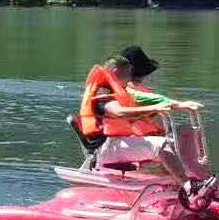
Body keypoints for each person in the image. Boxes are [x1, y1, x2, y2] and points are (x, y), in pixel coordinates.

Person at [78, 53, 201, 181]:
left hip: (117, 142)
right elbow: (118, 112)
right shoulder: (103, 91)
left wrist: (175, 105)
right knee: (161, 145)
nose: (129, 79)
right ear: (115, 72)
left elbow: (141, 109)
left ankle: (175, 180)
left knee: (169, 142)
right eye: (127, 74)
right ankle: (188, 188)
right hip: (106, 147)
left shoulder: (118, 89)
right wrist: (154, 108)